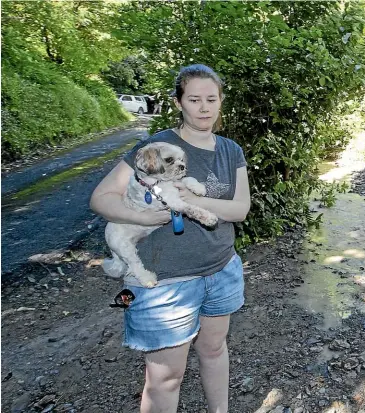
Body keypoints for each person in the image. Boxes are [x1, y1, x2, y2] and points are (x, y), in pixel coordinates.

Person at [90, 64, 250, 413]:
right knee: (165, 377)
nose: (204, 107)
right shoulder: (156, 146)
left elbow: (240, 209)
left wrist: (190, 200)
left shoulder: (230, 150)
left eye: (211, 99)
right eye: (194, 99)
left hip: (221, 269)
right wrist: (145, 216)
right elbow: (101, 198)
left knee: (214, 350)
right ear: (179, 103)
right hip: (160, 282)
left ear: (221, 101)